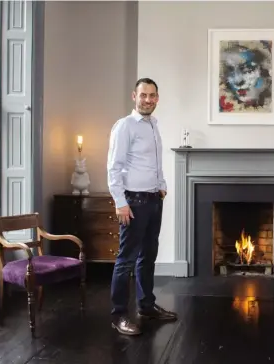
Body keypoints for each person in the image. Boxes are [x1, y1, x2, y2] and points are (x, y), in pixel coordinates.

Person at [107, 78, 177, 336]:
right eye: (143, 95)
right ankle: (119, 315)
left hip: (153, 200)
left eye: (152, 96)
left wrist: (162, 184)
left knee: (148, 257)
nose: (148, 100)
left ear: (157, 98)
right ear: (133, 96)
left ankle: (146, 306)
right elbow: (114, 167)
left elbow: (155, 162)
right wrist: (120, 203)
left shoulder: (153, 125)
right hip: (133, 202)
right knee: (126, 260)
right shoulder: (125, 126)